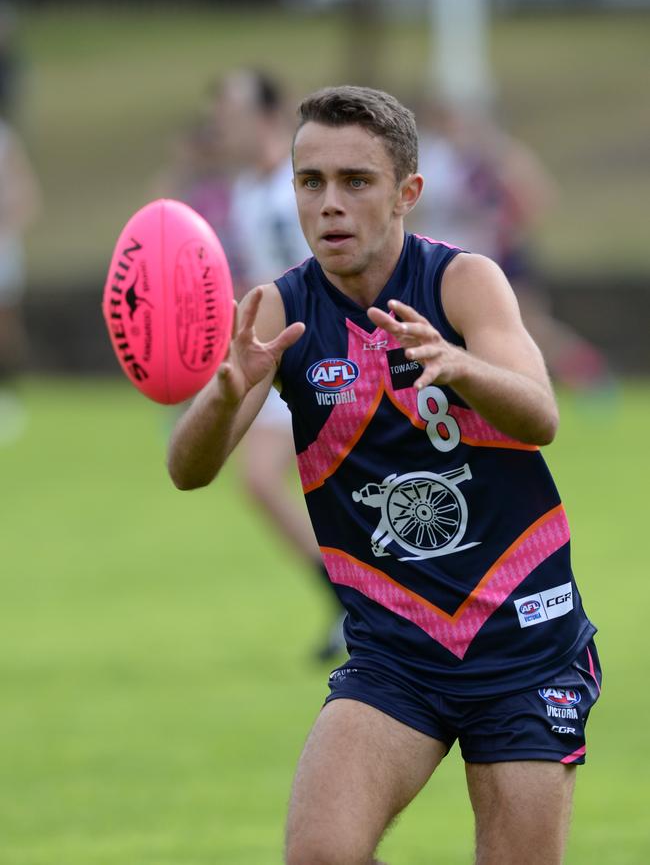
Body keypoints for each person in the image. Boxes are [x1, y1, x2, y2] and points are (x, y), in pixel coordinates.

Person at [167, 85, 601, 865]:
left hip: (524, 640)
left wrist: (458, 364)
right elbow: (189, 472)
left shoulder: (464, 283)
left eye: (355, 181)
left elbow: (541, 415)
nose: (329, 203)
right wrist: (222, 396)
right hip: (395, 650)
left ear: (407, 193)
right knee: (321, 854)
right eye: (311, 181)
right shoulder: (279, 311)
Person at [211, 68, 346, 660]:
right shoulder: (245, 188)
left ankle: (365, 602)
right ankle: (348, 600)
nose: (221, 124)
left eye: (231, 112)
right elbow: (256, 279)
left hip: (321, 352)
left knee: (343, 483)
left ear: (266, 117)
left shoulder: (295, 189)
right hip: (275, 354)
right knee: (260, 482)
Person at [410, 99, 612, 391]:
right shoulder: (434, 159)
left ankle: (589, 376)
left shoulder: (490, 157)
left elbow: (535, 196)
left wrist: (507, 228)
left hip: (498, 258)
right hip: (451, 262)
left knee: (531, 325)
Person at [0, 115, 41, 444]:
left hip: (2, 244)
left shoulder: (5, 138)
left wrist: (9, 226)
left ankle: (8, 390)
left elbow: (26, 192)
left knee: (5, 323)